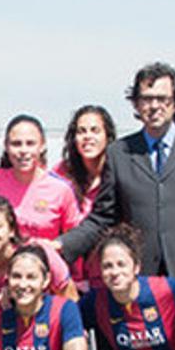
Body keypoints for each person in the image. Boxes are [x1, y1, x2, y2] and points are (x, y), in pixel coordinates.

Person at [57, 62, 175, 280]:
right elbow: (102, 218)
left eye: (162, 99)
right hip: (142, 280)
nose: (154, 106)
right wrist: (62, 245)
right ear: (136, 105)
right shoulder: (119, 153)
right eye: (146, 99)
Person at [0, 114, 82, 241]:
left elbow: (74, 239)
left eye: (30, 143)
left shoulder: (61, 189)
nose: (23, 150)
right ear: (6, 146)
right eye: (16, 144)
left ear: (42, 145)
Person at [55, 105, 116, 292]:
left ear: (107, 136)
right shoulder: (60, 174)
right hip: (68, 281)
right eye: (81, 131)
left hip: (109, 279)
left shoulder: (120, 174)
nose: (88, 137)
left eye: (95, 130)